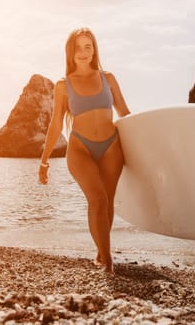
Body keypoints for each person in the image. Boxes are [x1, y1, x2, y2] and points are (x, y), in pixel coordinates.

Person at [38, 28, 130, 274]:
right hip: (81, 149)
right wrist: (44, 160)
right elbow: (56, 123)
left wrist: (148, 143)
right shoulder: (63, 85)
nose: (83, 52)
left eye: (88, 46)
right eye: (78, 47)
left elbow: (124, 112)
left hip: (111, 146)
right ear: (70, 52)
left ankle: (101, 253)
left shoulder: (107, 78)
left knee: (107, 202)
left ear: (94, 49)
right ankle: (109, 262)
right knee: (97, 199)